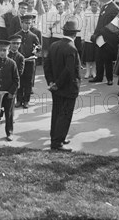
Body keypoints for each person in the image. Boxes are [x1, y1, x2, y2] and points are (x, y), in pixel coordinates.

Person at [44, 19, 82, 151]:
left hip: (56, 87)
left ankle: (57, 136)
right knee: (65, 115)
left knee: (57, 112)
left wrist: (51, 82)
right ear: (74, 34)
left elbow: (46, 65)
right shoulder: (72, 48)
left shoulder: (54, 45)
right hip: (67, 87)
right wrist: (58, 84)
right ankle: (57, 142)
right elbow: (69, 70)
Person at [90, 0, 119, 86]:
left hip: (108, 38)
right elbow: (100, 23)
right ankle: (99, 77)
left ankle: (109, 78)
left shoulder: (115, 8)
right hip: (100, 37)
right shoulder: (103, 6)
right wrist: (96, 34)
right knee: (98, 57)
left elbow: (116, 25)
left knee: (107, 59)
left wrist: (102, 32)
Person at [13, 14, 40, 108]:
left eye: (29, 23)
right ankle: (19, 100)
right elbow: (13, 47)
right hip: (19, 62)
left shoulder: (33, 36)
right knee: (19, 80)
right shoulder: (17, 35)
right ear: (21, 23)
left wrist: (36, 49)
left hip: (30, 62)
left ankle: (26, 101)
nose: (27, 25)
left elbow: (38, 46)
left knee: (28, 82)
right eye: (25, 23)